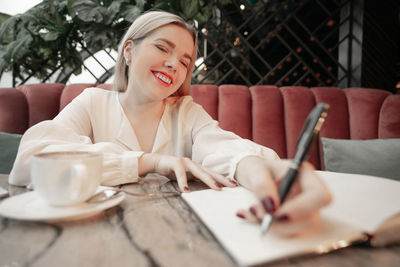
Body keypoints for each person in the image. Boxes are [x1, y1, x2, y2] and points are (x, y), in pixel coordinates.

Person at [9, 10, 331, 231]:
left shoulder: (186, 112)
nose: (173, 64)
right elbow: (31, 159)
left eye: (185, 61)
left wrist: (259, 171)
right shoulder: (93, 103)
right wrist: (148, 162)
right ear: (129, 51)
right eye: (163, 48)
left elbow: (222, 147)